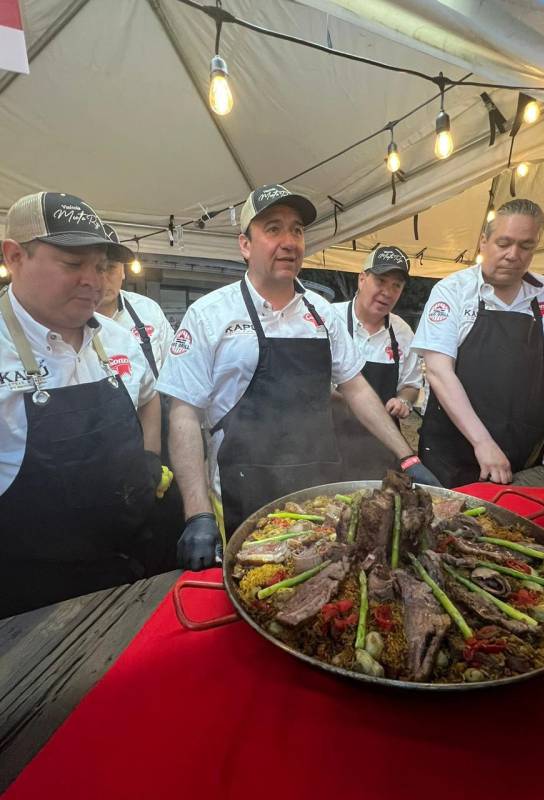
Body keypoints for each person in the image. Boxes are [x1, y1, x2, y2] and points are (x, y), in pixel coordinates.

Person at [157, 183, 440, 569]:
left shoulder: (321, 313)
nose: (289, 241)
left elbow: (356, 389)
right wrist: (197, 514)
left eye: (297, 230)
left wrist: (406, 458)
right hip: (241, 488)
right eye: (273, 229)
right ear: (245, 245)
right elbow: (184, 414)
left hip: (320, 490)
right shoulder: (210, 315)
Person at [0, 192, 168, 617]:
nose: (92, 280)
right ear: (15, 256)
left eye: (99, 265)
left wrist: (149, 459)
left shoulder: (117, 340)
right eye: (73, 264)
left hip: (129, 566)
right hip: (29, 592)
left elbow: (149, 397)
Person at [412, 198, 544, 488]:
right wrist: (482, 442)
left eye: (526, 246)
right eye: (504, 243)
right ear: (483, 243)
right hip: (453, 455)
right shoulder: (452, 291)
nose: (514, 255)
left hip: (525, 453)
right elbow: (439, 371)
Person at [332, 246, 421, 479]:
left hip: (382, 447)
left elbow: (411, 385)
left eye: (396, 286)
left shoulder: (402, 332)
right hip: (331, 442)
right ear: (362, 279)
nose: (387, 292)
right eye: (381, 281)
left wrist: (403, 401)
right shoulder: (331, 319)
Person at [96, 224, 174, 378]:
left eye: (111, 267)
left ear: (123, 271)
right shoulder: (67, 319)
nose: (103, 278)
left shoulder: (148, 310)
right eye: (97, 268)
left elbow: (175, 369)